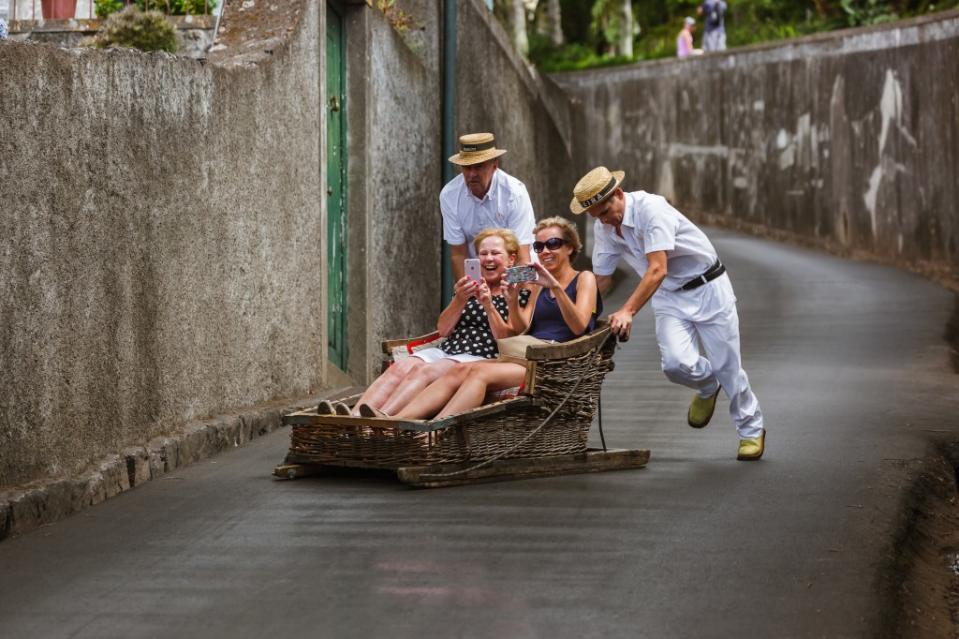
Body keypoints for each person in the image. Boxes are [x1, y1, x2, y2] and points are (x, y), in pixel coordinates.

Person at [569, 166, 765, 460]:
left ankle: (751, 430)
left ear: (619, 194)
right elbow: (601, 279)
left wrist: (627, 311)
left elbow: (657, 268)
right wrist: (573, 308)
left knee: (728, 366)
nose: (606, 220)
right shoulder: (605, 227)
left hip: (708, 286)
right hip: (670, 297)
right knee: (675, 364)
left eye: (607, 210)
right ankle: (708, 385)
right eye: (597, 216)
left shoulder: (652, 209)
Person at [394, 217, 601, 420]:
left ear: (570, 247)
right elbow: (521, 329)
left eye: (553, 244)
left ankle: (435, 432)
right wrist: (512, 301)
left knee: (479, 374)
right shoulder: (538, 285)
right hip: (526, 354)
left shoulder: (583, 278)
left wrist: (556, 287)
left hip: (554, 360)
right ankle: (400, 421)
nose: (545, 251)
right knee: (460, 369)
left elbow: (579, 326)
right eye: (539, 246)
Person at [318, 228, 531, 417]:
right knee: (400, 367)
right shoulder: (467, 288)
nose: (488, 259)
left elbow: (505, 339)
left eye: (495, 253)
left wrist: (488, 304)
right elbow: (443, 329)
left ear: (511, 259)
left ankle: (384, 418)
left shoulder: (515, 293)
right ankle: (353, 417)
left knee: (426, 371)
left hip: (479, 355)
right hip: (448, 348)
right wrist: (459, 299)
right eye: (483, 254)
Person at [441, 132, 536, 282]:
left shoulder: (515, 193)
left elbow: (523, 256)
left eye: (478, 167)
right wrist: (470, 296)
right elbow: (458, 254)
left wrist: (517, 299)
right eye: (466, 167)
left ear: (494, 165)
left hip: (517, 276)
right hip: (478, 278)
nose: (472, 174)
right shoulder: (449, 195)